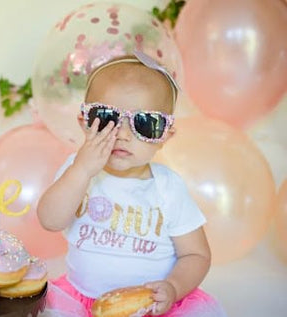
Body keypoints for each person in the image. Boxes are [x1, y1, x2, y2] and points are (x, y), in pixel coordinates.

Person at [37, 50, 226, 316]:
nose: (123, 134)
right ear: (84, 122)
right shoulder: (76, 171)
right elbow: (50, 220)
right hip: (82, 301)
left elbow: (196, 255)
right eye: (107, 118)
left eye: (145, 123)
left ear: (164, 136)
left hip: (151, 304)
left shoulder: (167, 187)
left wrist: (173, 287)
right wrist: (81, 170)